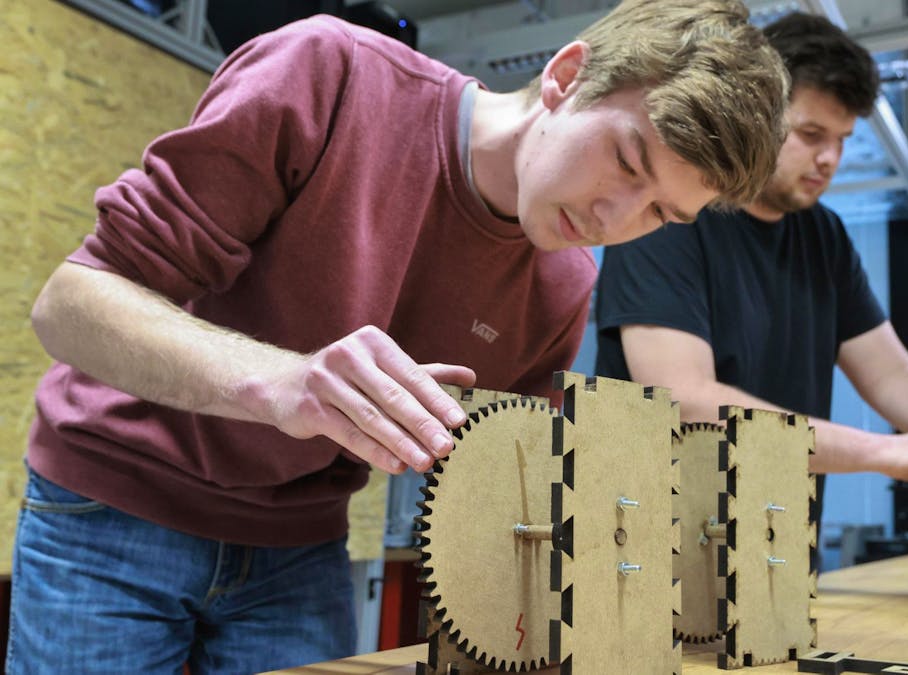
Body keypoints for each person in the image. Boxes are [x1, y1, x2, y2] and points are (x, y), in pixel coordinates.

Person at [10, 1, 788, 672]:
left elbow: (503, 503)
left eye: (660, 213)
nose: (615, 218)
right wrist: (284, 383)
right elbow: (70, 305)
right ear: (566, 76)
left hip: (298, 544)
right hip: (114, 504)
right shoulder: (332, 74)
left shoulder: (564, 285)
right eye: (625, 161)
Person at [593, 12, 908, 524]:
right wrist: (883, 452)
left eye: (843, 138)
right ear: (757, 112)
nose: (830, 157)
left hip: (774, 547)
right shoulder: (669, 214)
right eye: (811, 134)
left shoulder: (823, 236)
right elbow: (685, 401)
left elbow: (894, 376)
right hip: (655, 550)